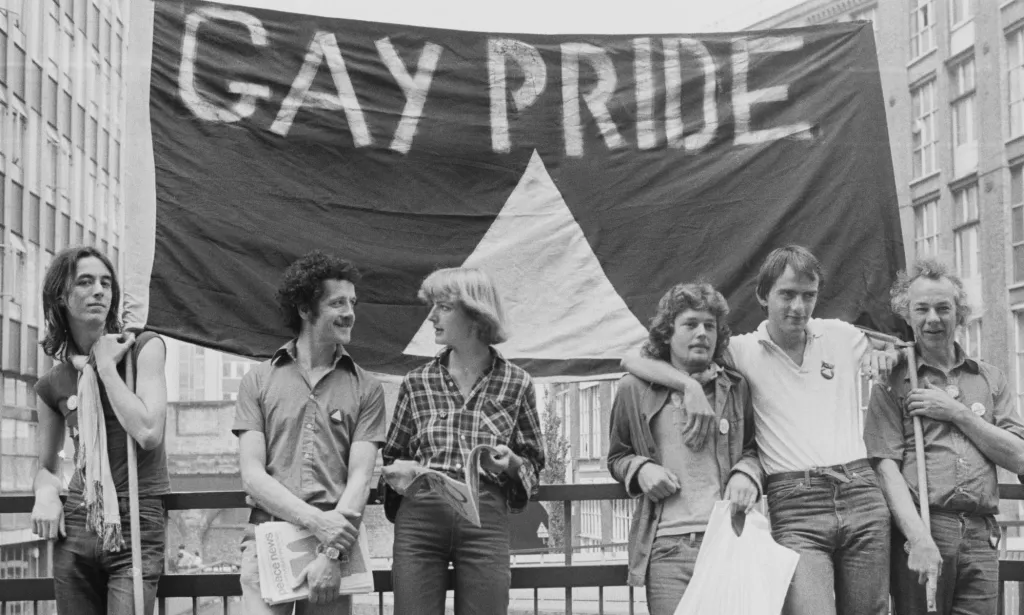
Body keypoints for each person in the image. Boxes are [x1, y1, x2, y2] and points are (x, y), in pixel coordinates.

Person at [623, 245, 899, 615]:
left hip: (861, 490)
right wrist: (688, 387)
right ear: (762, 296)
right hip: (795, 500)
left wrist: (888, 354)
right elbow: (632, 359)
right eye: (786, 294)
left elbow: (898, 346)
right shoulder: (741, 351)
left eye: (808, 295)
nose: (798, 307)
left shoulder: (839, 334)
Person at [381, 267, 545, 615]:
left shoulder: (517, 383)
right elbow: (391, 460)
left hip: (485, 517)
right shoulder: (416, 382)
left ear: (475, 314)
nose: (431, 317)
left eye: (443, 307)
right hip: (421, 516)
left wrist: (513, 465)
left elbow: (534, 466)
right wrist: (398, 472)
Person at [865, 259, 1024, 615]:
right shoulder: (894, 380)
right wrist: (919, 539)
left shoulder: (989, 378)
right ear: (908, 315)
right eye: (921, 309)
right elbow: (885, 469)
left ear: (960, 313)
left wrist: (957, 414)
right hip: (924, 528)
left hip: (981, 535)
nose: (933, 318)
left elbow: (1019, 457)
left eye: (943, 308)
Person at [233, 251, 386, 615]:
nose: (350, 312)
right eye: (337, 302)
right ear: (304, 309)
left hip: (333, 550)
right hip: (267, 538)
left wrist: (332, 551)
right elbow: (252, 476)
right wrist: (317, 522)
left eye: (352, 302)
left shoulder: (367, 387)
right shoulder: (258, 380)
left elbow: (360, 479)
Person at [607, 282, 763, 615]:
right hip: (667, 549)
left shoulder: (735, 387)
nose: (702, 333)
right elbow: (617, 456)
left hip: (729, 542)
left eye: (710, 326)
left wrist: (746, 473)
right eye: (690, 324)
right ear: (667, 333)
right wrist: (641, 468)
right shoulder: (633, 389)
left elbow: (753, 449)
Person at [31, 246, 170, 615]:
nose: (99, 291)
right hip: (77, 521)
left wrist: (105, 368)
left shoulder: (142, 349)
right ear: (61, 296)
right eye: (86, 282)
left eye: (106, 283)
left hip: (138, 517)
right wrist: (46, 493)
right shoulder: (54, 382)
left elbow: (149, 431)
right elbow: (46, 467)